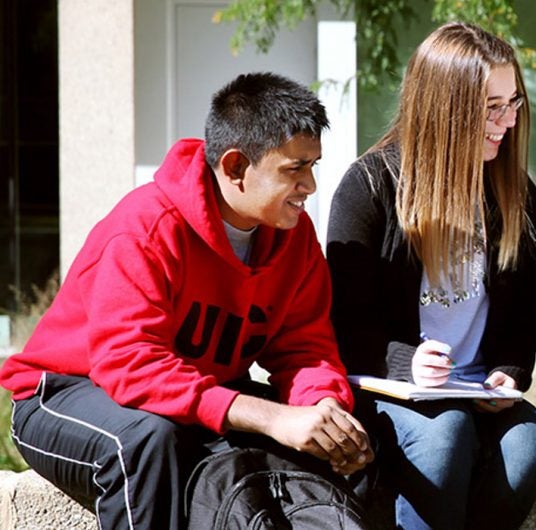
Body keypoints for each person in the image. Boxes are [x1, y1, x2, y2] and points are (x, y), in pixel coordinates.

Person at [0, 72, 373, 529]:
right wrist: (272, 417)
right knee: (147, 440)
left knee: (345, 441)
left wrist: (321, 408)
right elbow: (129, 364)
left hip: (186, 396)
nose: (310, 186)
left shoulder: (294, 241)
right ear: (235, 167)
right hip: (63, 393)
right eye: (295, 169)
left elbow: (306, 348)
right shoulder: (146, 227)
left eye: (313, 166)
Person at [325, 22, 536, 530]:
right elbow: (340, 325)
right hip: (391, 393)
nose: (508, 121)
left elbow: (522, 314)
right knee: (444, 432)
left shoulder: (516, 195)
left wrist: (510, 372)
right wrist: (405, 362)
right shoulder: (369, 187)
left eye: (513, 102)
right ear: (444, 109)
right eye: (491, 107)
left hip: (476, 391)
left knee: (531, 442)